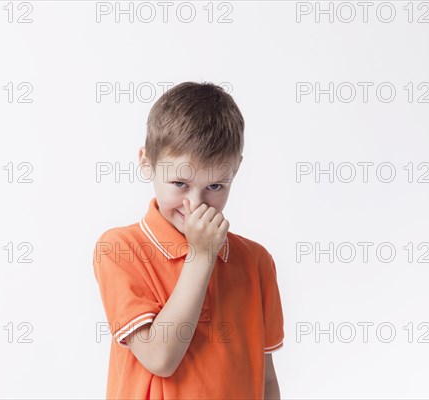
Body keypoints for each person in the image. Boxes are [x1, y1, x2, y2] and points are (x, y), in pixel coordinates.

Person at [93, 81, 285, 399]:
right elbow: (160, 358)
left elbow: (265, 379)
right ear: (146, 162)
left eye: (215, 186)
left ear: (235, 170)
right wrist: (202, 256)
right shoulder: (119, 248)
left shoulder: (255, 261)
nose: (194, 204)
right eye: (180, 183)